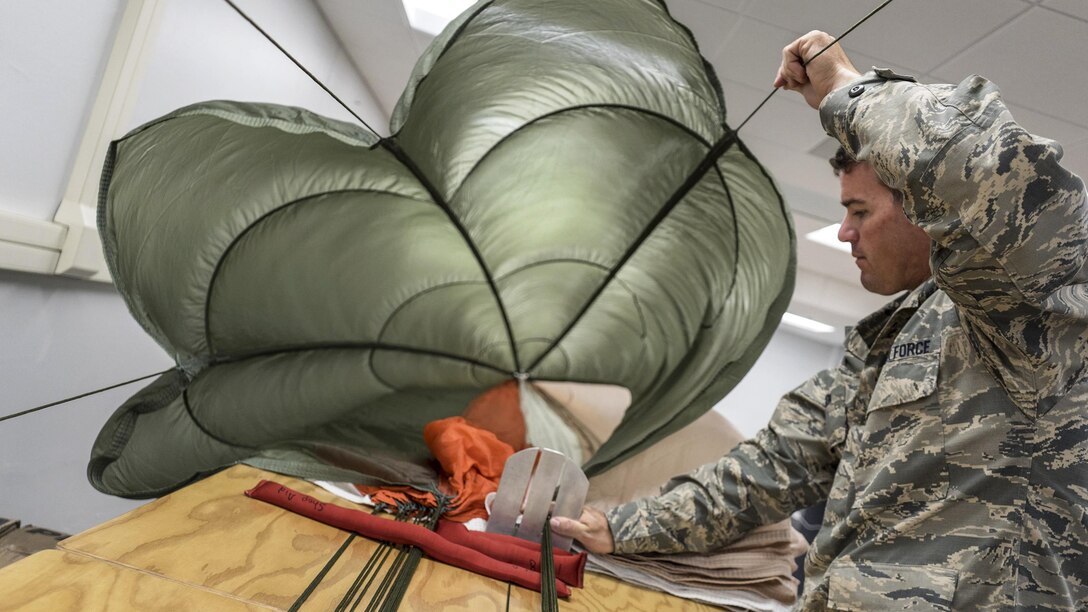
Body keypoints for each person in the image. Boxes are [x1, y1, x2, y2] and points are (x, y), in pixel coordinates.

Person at [552, 30, 1088, 610]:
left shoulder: (1024, 320)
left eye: (860, 210)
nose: (845, 232)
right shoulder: (899, 335)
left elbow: (1002, 178)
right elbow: (772, 466)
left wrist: (846, 90)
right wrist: (622, 528)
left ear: (922, 209)